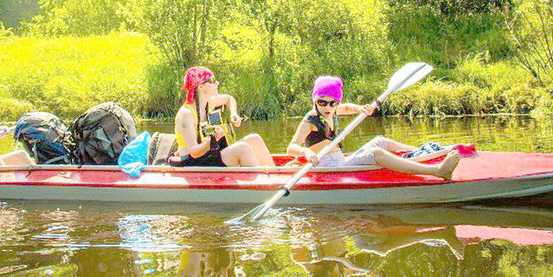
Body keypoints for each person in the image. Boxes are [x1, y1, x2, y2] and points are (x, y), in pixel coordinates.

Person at [287, 75, 460, 179]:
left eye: (332, 103)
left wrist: (359, 109)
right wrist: (307, 152)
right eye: (322, 102)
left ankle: (428, 154)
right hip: (329, 168)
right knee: (376, 153)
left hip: (340, 161)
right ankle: (437, 170)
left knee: (381, 141)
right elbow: (291, 148)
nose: (327, 107)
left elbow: (346, 107)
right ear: (315, 101)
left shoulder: (332, 111)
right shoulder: (310, 121)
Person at [173, 66, 275, 167]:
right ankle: (260, 181)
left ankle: (274, 177)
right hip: (192, 163)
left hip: (209, 155)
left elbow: (229, 99)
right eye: (212, 80)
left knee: (254, 139)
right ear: (200, 87)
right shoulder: (186, 114)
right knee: (242, 148)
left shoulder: (209, 102)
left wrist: (233, 114)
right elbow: (193, 152)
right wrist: (213, 140)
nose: (217, 83)